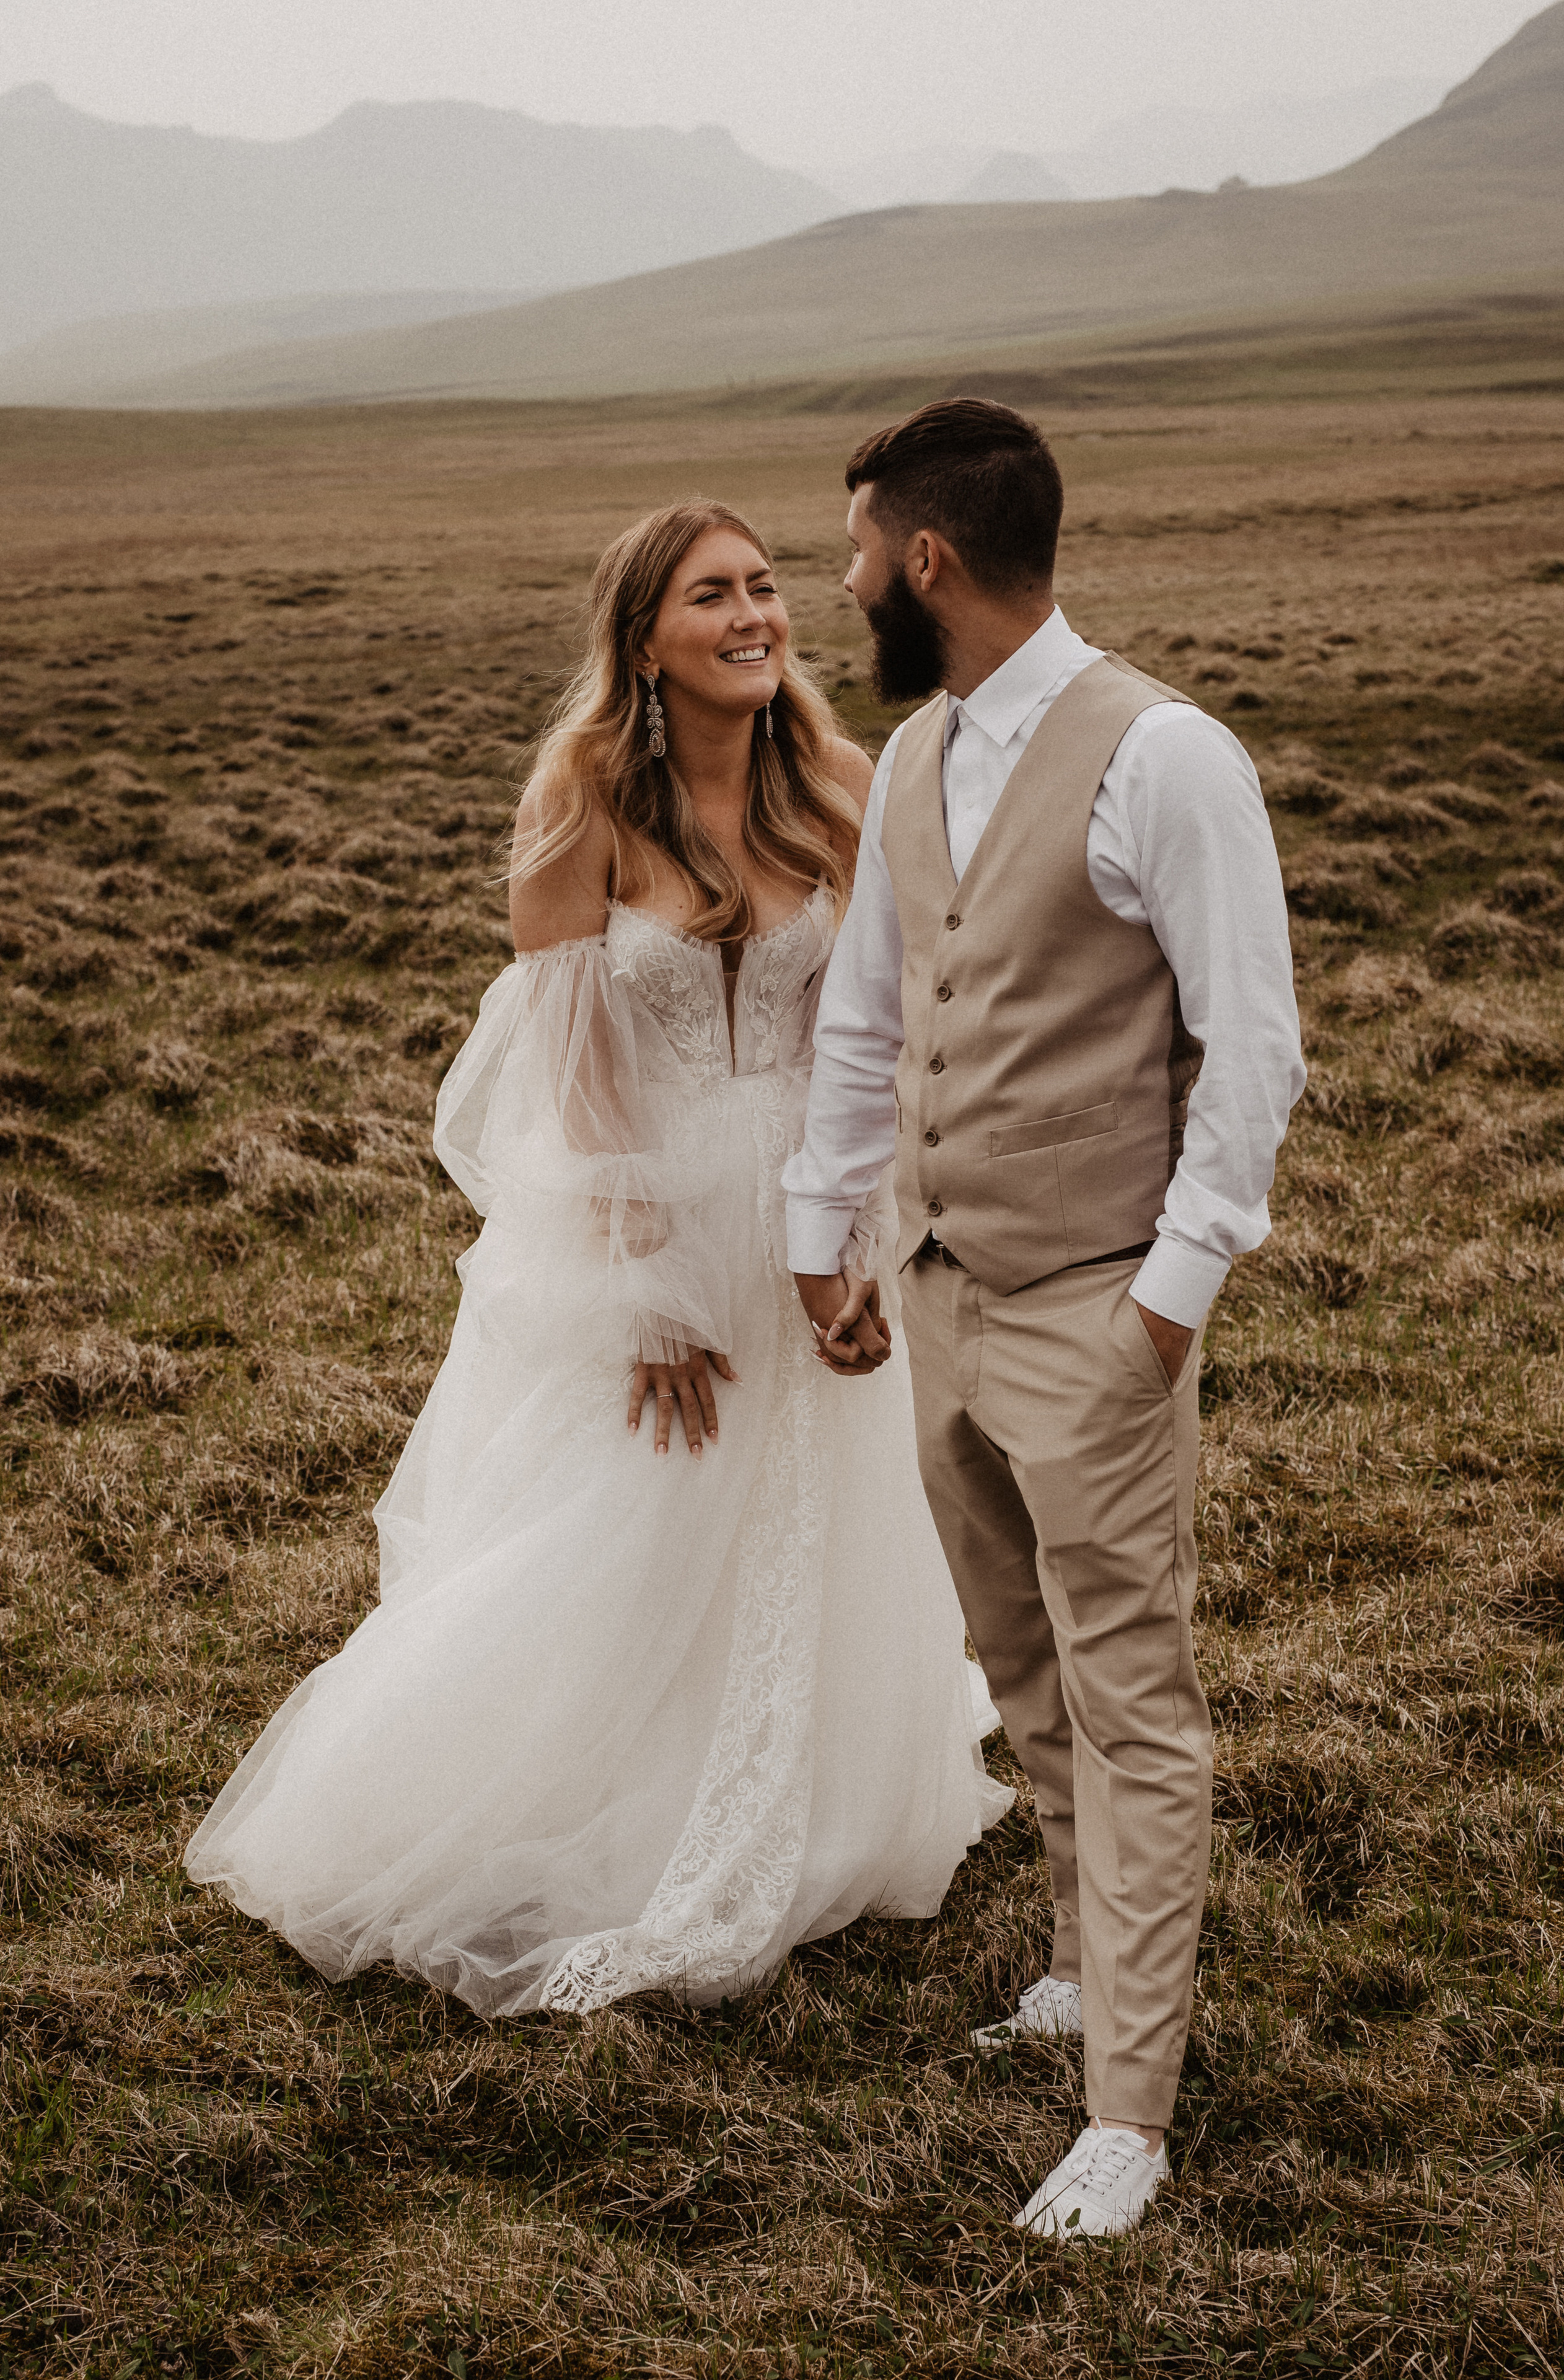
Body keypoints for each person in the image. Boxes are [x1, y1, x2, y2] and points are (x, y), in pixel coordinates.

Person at [184, 498, 1011, 2017]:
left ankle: (805, 1787)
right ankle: (566, 1799)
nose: (755, 615)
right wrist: (644, 1291)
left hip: (821, 1195)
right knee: (631, 1505)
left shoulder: (839, 780)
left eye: (767, 586)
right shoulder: (581, 794)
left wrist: (856, 1241)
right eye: (713, 597)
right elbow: (569, 1067)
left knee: (818, 1498)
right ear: (643, 641)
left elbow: (887, 1018)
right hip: (646, 1207)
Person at [783, 399, 1306, 2239]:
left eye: (854, 551)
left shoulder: (1166, 757)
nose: (840, 582)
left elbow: (1254, 1045)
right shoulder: (915, 754)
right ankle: (1091, 1962)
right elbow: (870, 1012)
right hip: (939, 1299)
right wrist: (824, 1229)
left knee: (1134, 1692)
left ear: (927, 560)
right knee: (1026, 1676)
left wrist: (1168, 1306)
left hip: (1098, 1311)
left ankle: (1132, 2115)